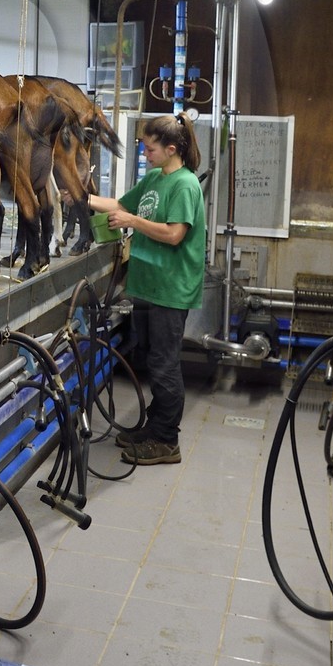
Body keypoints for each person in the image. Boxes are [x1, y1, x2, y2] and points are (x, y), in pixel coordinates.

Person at [86, 109, 206, 465]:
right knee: (152, 361)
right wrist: (80, 196)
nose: (145, 154)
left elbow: (173, 234)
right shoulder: (155, 179)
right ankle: (155, 429)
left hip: (172, 287)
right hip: (149, 284)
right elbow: (120, 205)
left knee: (165, 365)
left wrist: (133, 221)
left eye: (150, 148)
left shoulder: (185, 184)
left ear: (171, 149)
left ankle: (168, 441)